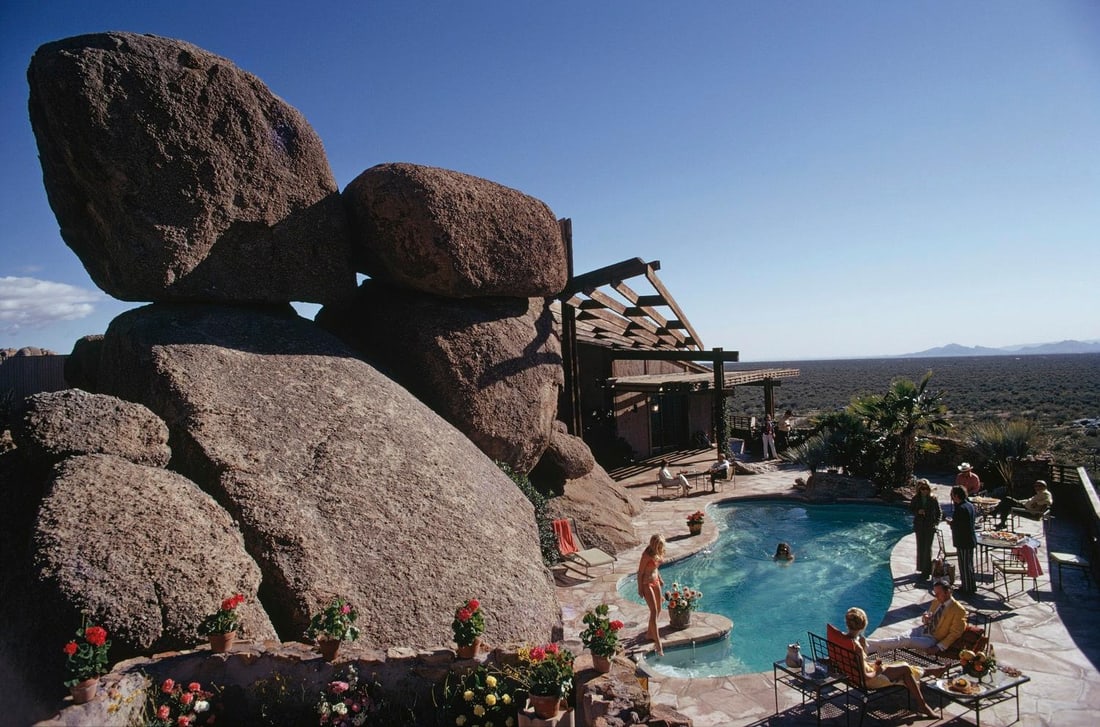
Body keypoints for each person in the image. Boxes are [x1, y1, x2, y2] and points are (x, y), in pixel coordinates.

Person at [843, 607, 948, 718]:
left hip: (853, 676)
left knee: (904, 668)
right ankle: (923, 705)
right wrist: (878, 671)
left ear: (847, 623)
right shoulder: (857, 647)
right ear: (864, 625)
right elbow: (866, 677)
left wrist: (864, 648)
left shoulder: (843, 639)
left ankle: (932, 672)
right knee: (905, 669)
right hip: (870, 680)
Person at [866, 578, 967, 655]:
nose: (936, 596)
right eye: (935, 593)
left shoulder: (958, 610)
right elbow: (927, 618)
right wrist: (925, 618)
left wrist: (938, 647)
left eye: (938, 594)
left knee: (904, 641)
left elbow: (955, 633)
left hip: (932, 639)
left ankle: (866, 643)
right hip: (922, 630)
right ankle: (868, 649)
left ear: (948, 592)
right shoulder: (936, 602)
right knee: (898, 638)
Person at [636, 534, 666, 656]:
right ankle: (658, 643)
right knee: (653, 612)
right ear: (654, 544)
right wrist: (639, 588)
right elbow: (640, 573)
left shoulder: (660, 552)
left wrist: (660, 578)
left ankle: (649, 633)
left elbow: (656, 568)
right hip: (646, 583)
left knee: (659, 609)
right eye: (659, 545)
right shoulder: (646, 555)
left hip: (656, 581)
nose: (661, 547)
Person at [948, 486, 978, 595]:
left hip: (963, 541)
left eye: (952, 495)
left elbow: (958, 525)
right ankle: (970, 586)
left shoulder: (960, 508)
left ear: (956, 495)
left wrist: (950, 523)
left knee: (964, 566)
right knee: (968, 565)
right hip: (970, 539)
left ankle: (967, 589)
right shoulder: (970, 505)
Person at [910, 479, 942, 579]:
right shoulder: (916, 498)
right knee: (921, 547)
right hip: (919, 526)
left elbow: (939, 512)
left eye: (926, 489)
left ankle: (926, 571)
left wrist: (936, 523)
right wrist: (918, 511)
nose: (924, 491)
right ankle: (921, 568)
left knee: (927, 548)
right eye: (922, 489)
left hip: (929, 526)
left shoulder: (933, 499)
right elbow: (911, 509)